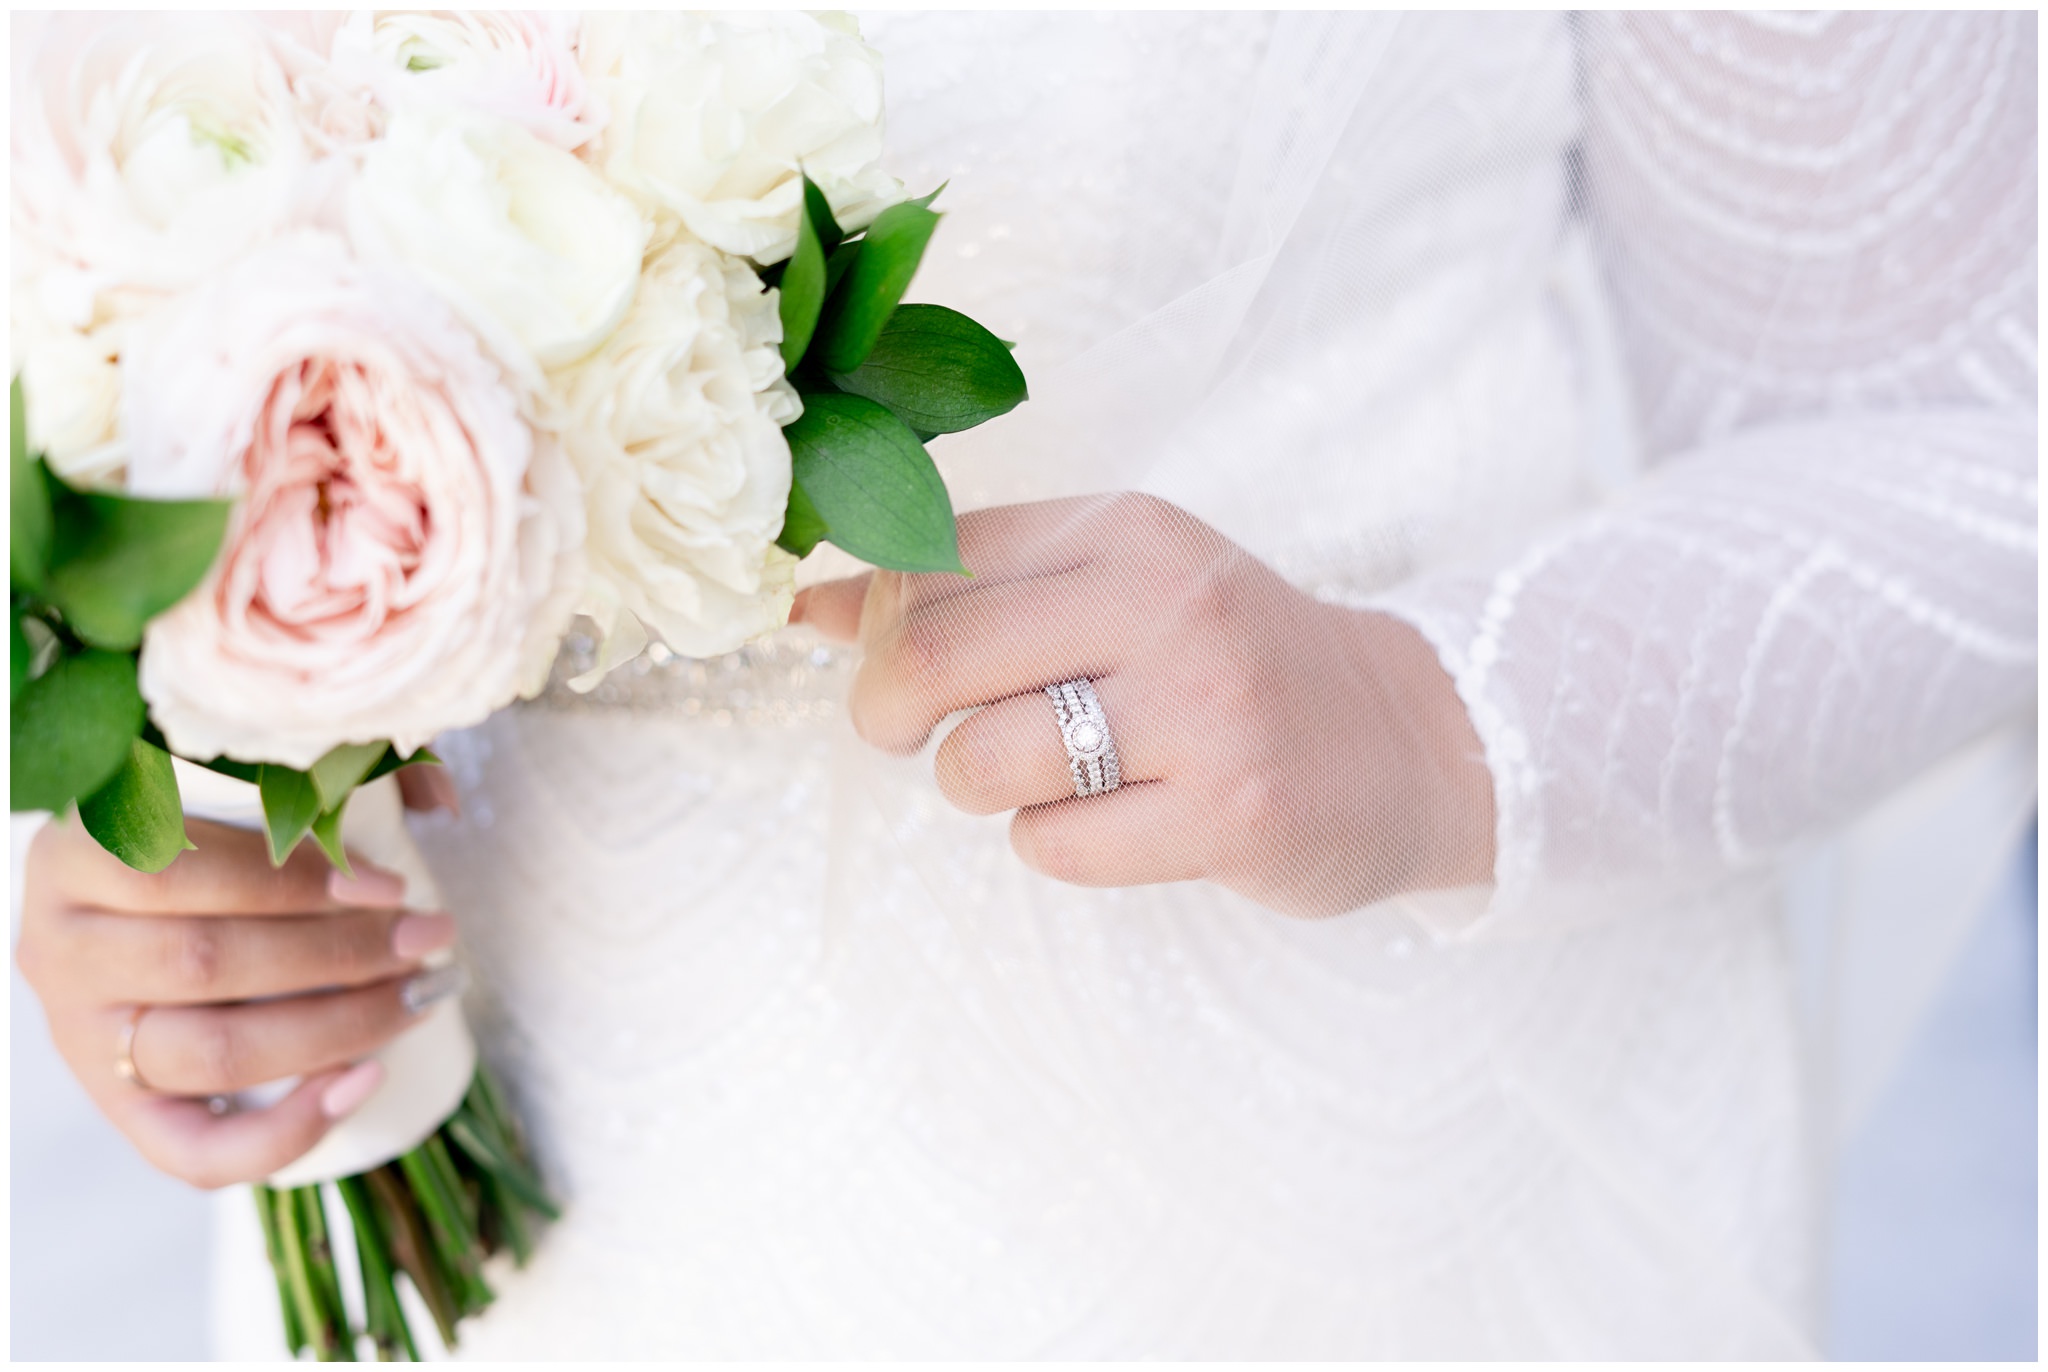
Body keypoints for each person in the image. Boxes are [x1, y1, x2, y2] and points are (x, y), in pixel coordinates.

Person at [15, 12, 2036, 1358]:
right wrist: (157, 812)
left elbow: (1974, 428)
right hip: (550, 1206)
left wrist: (1421, 716)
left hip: (1331, 1205)